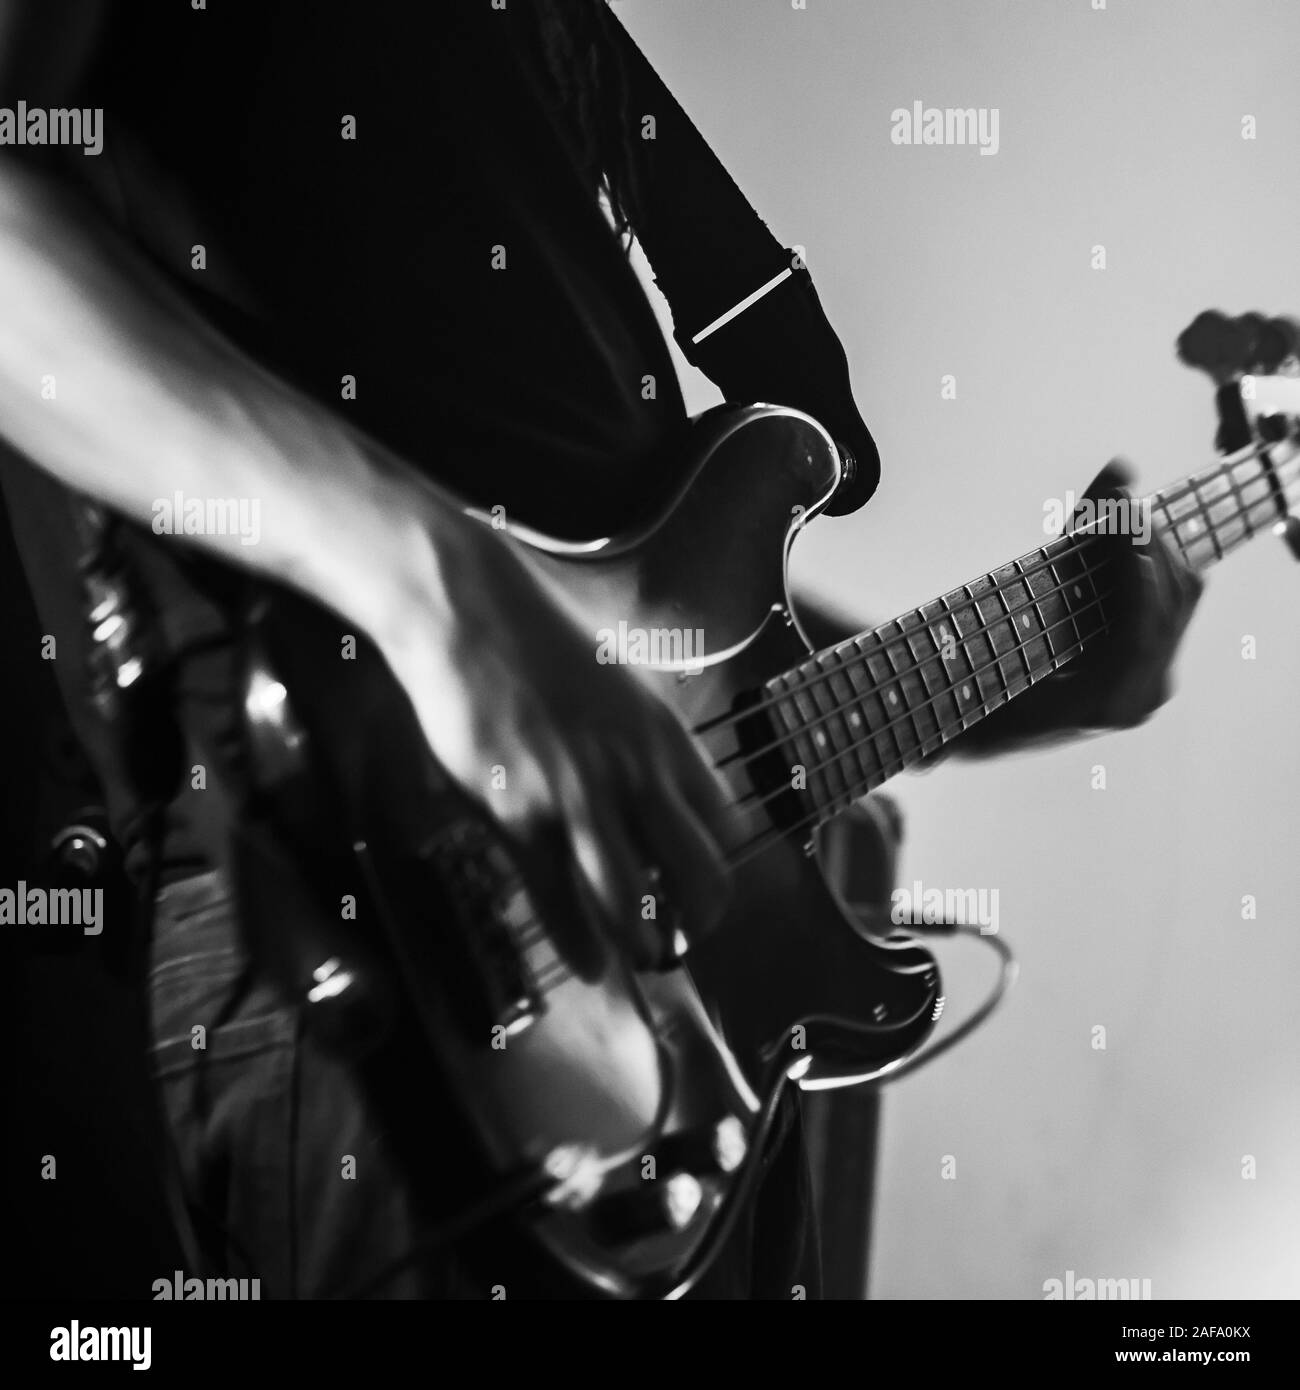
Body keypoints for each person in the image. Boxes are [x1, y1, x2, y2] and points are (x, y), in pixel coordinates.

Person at [0, 0, 1201, 1299]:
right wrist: (435, 594)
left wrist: (1040, 672)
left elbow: (644, 627)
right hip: (365, 930)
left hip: (687, 1030)